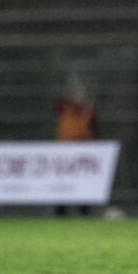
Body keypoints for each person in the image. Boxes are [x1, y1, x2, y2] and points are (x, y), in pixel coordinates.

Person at [54, 76, 99, 217]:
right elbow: (57, 106)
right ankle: (61, 212)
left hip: (83, 150)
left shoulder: (89, 110)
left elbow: (96, 129)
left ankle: (84, 211)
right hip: (65, 150)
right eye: (75, 92)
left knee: (83, 183)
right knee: (63, 183)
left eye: (80, 92)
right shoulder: (64, 107)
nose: (78, 95)